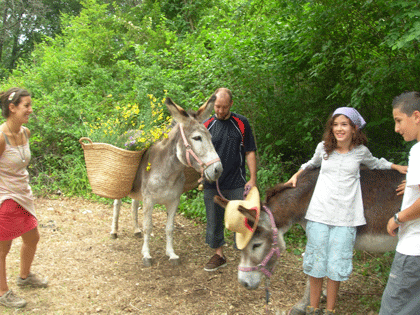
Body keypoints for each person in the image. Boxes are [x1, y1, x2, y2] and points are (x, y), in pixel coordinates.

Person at [285, 107, 407, 315]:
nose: (339, 129)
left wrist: (396, 167)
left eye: (344, 124)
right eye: (335, 124)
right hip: (319, 214)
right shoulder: (323, 148)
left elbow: (376, 164)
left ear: (354, 128)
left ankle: (330, 310)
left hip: (346, 218)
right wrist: (296, 175)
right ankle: (314, 309)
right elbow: (311, 164)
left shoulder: (360, 152)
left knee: (336, 266)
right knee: (316, 263)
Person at [0, 88, 48, 309]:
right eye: (26, 106)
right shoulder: (1, 137)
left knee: (32, 238)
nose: (30, 109)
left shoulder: (25, 132)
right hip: (5, 196)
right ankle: (2, 293)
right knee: (2, 247)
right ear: (12, 108)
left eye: (30, 105)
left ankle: (24, 276)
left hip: (23, 194)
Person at [202, 88, 257, 272]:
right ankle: (219, 255)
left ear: (231, 105)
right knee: (214, 219)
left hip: (236, 181)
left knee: (242, 220)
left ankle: (245, 258)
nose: (220, 110)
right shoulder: (206, 125)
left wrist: (253, 178)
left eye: (224, 107)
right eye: (217, 106)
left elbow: (249, 151)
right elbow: (199, 153)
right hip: (212, 183)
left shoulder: (241, 123)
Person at [379, 91, 420, 315]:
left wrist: (397, 218)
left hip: (414, 249)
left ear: (416, 116)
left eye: (398, 120)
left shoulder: (418, 150)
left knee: (393, 309)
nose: (396, 128)